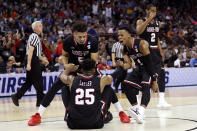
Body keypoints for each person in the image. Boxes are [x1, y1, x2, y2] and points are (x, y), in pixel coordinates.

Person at [28, 20, 129, 125]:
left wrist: (86, 72)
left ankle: (121, 112)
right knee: (56, 86)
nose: (82, 39)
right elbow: (65, 56)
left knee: (107, 83)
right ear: (74, 34)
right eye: (79, 37)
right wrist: (66, 65)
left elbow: (94, 61)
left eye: (84, 36)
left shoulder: (93, 40)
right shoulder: (68, 41)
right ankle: (38, 115)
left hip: (89, 68)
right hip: (73, 68)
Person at [28, 59, 130, 128]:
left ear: (81, 70)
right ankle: (121, 112)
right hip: (95, 124)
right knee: (108, 88)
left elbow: (62, 77)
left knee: (64, 87)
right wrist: (121, 67)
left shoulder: (72, 79)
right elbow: (115, 75)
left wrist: (67, 70)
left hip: (73, 124)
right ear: (94, 70)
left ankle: (68, 112)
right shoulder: (102, 80)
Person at [118, 25, 159, 124]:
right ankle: (136, 109)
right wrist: (123, 65)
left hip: (151, 68)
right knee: (126, 84)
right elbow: (128, 64)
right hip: (139, 68)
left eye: (121, 35)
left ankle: (141, 111)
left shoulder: (142, 44)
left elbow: (149, 63)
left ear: (128, 35)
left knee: (145, 87)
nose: (119, 37)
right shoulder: (124, 49)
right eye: (118, 35)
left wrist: (154, 81)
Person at [136, 4, 171, 108]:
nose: (154, 13)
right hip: (146, 50)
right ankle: (137, 102)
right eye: (151, 11)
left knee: (161, 74)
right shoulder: (141, 21)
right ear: (147, 11)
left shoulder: (156, 23)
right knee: (144, 75)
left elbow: (157, 39)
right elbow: (138, 32)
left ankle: (161, 100)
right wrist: (148, 20)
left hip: (156, 51)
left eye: (155, 11)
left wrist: (161, 52)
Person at [11, 21, 49, 107]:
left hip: (32, 59)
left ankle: (17, 96)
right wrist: (28, 64)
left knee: (29, 81)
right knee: (38, 80)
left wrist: (44, 60)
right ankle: (40, 100)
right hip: (31, 60)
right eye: (39, 26)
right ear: (35, 28)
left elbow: (37, 54)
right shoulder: (35, 36)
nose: (41, 27)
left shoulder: (35, 37)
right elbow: (30, 51)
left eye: (41, 25)